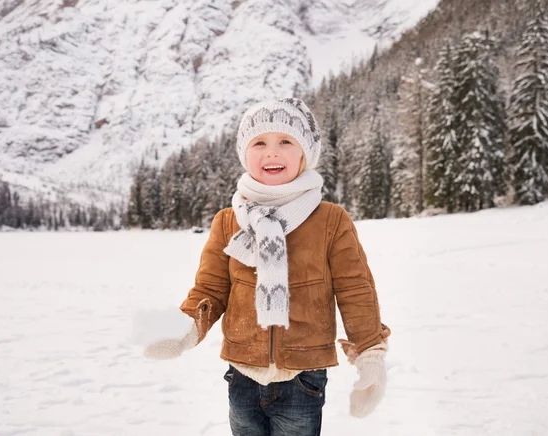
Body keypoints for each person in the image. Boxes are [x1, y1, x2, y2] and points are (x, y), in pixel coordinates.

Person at [143, 98, 391, 435]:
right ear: (245, 154)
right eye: (259, 142)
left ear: (305, 154)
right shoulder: (229, 221)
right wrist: (183, 330)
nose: (272, 152)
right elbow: (210, 290)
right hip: (241, 376)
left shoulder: (330, 220)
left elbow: (356, 291)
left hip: (303, 379)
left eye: (286, 141)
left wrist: (370, 357)